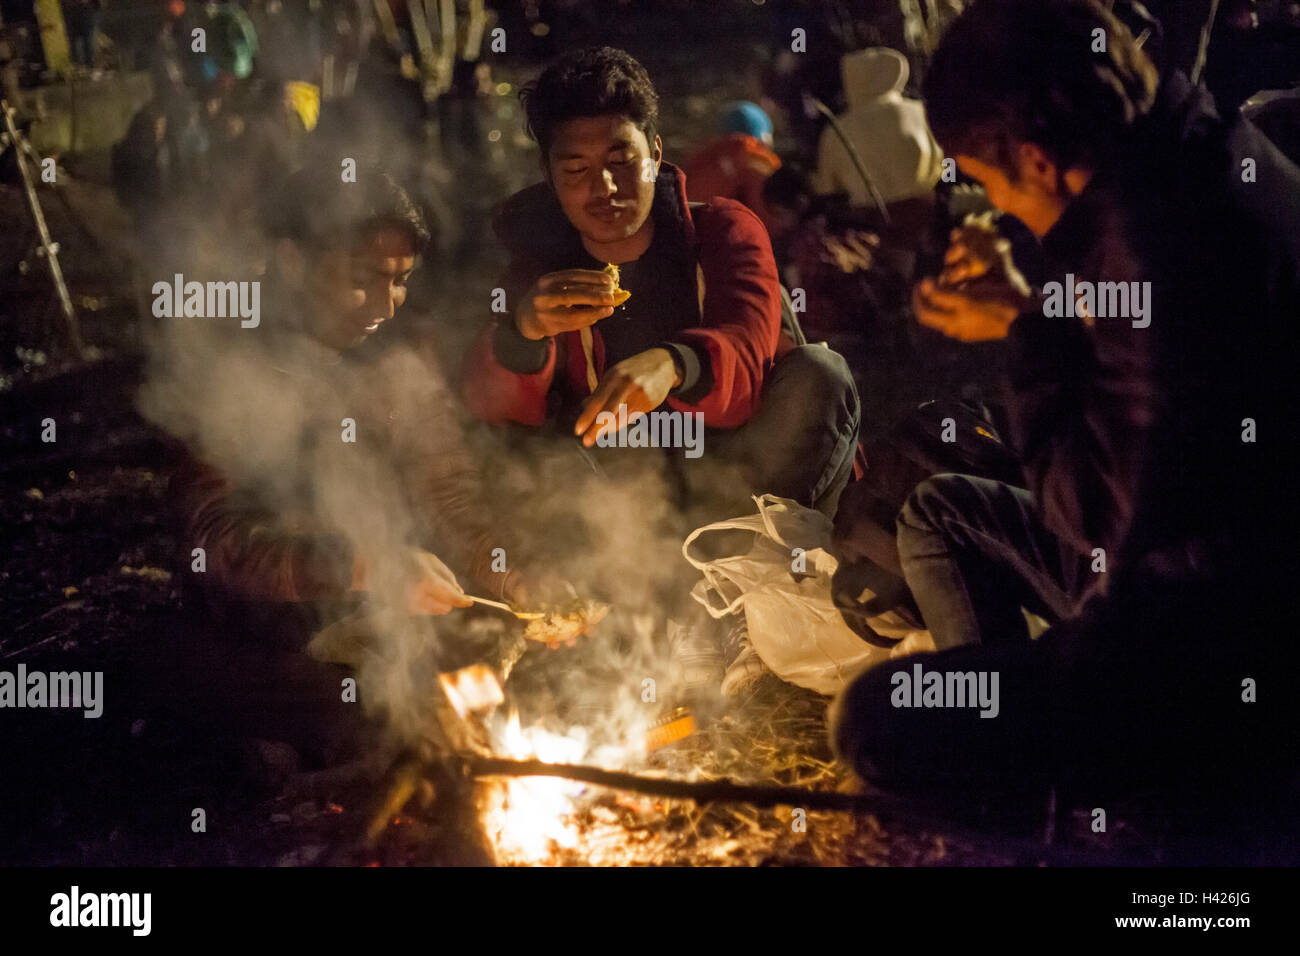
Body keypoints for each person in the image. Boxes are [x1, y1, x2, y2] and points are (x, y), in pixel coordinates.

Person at [830, 0, 1300, 858]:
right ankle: (1037, 785)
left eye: (989, 176)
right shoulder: (1191, 147)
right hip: (1185, 572)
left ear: (1040, 158)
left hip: (1208, 641)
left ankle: (1089, 818)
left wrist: (1021, 332)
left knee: (880, 720)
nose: (995, 201)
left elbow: (1088, 513)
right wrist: (1036, 301)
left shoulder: (1166, 255)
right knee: (940, 513)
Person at [460, 47, 861, 697]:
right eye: (578, 170)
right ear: (552, 178)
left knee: (820, 373)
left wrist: (675, 365)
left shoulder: (722, 232)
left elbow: (749, 346)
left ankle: (725, 604)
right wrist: (525, 333)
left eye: (622, 160)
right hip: (628, 504)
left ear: (655, 148)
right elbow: (493, 412)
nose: (606, 189)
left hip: (743, 482)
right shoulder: (538, 269)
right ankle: (642, 612)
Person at [136, 167, 543, 767]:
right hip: (263, 630)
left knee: (498, 673)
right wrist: (364, 564)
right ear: (294, 260)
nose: (386, 305)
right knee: (369, 717)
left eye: (402, 282)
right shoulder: (232, 363)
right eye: (364, 280)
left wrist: (511, 576)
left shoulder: (398, 360)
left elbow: (450, 495)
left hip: (378, 619)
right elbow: (215, 542)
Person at [810, 46, 944, 214]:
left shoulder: (837, 130)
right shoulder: (922, 111)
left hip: (871, 223)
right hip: (929, 213)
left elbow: (827, 189)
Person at [683, 101, 783, 236]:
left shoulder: (700, 159)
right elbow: (774, 222)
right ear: (764, 137)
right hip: (736, 245)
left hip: (691, 239)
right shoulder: (759, 161)